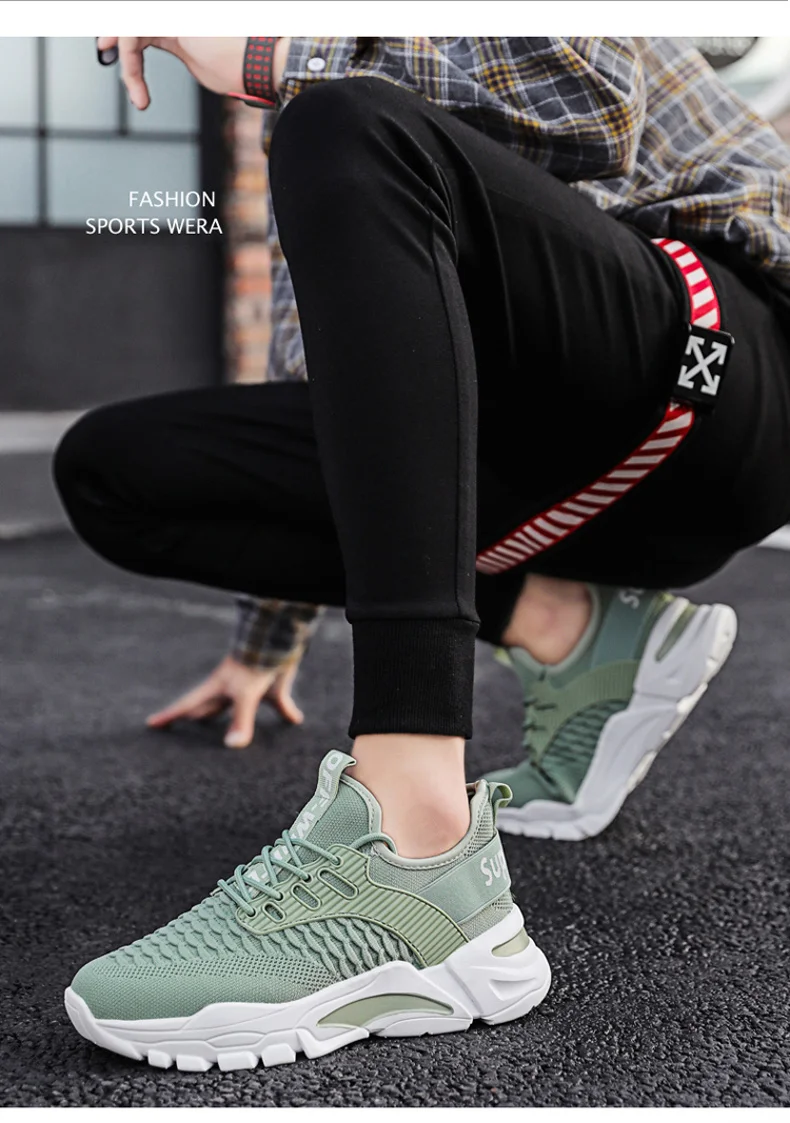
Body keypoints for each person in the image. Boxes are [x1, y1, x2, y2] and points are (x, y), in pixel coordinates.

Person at [55, 36, 790, 1071]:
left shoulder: (334, 82)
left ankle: (415, 840)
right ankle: (577, 632)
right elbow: (342, 392)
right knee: (115, 468)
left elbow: (592, 100)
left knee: (347, 123)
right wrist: (265, 643)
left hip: (726, 368)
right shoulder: (325, 110)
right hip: (564, 474)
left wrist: (273, 55)